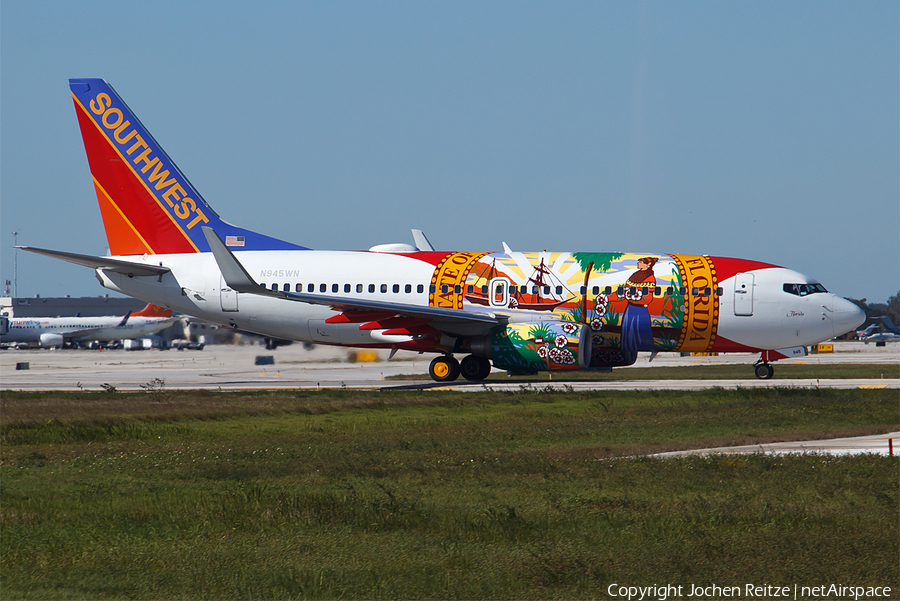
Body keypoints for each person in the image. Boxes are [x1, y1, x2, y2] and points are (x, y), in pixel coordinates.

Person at [620, 257, 657, 351]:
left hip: (640, 309)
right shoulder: (635, 275)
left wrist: (634, 299)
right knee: (627, 331)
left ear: (647, 264)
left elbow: (648, 297)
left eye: (640, 262)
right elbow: (625, 289)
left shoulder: (650, 278)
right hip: (630, 307)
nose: (638, 263)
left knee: (641, 333)